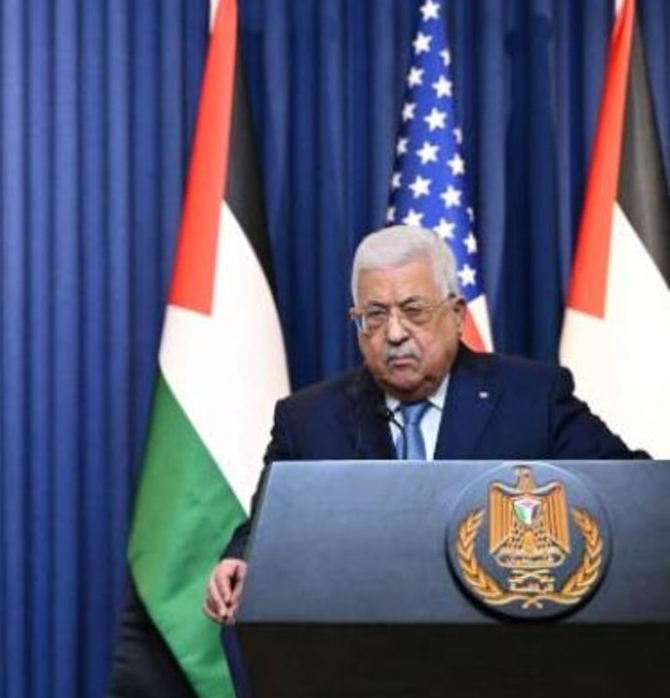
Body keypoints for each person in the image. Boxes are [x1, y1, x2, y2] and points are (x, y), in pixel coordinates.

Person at [204, 224, 643, 623]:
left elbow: (631, 492)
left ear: (456, 315)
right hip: (360, 659)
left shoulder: (533, 398)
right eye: (375, 316)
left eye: (413, 310)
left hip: (505, 652)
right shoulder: (307, 420)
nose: (394, 333)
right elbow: (270, 524)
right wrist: (241, 558)